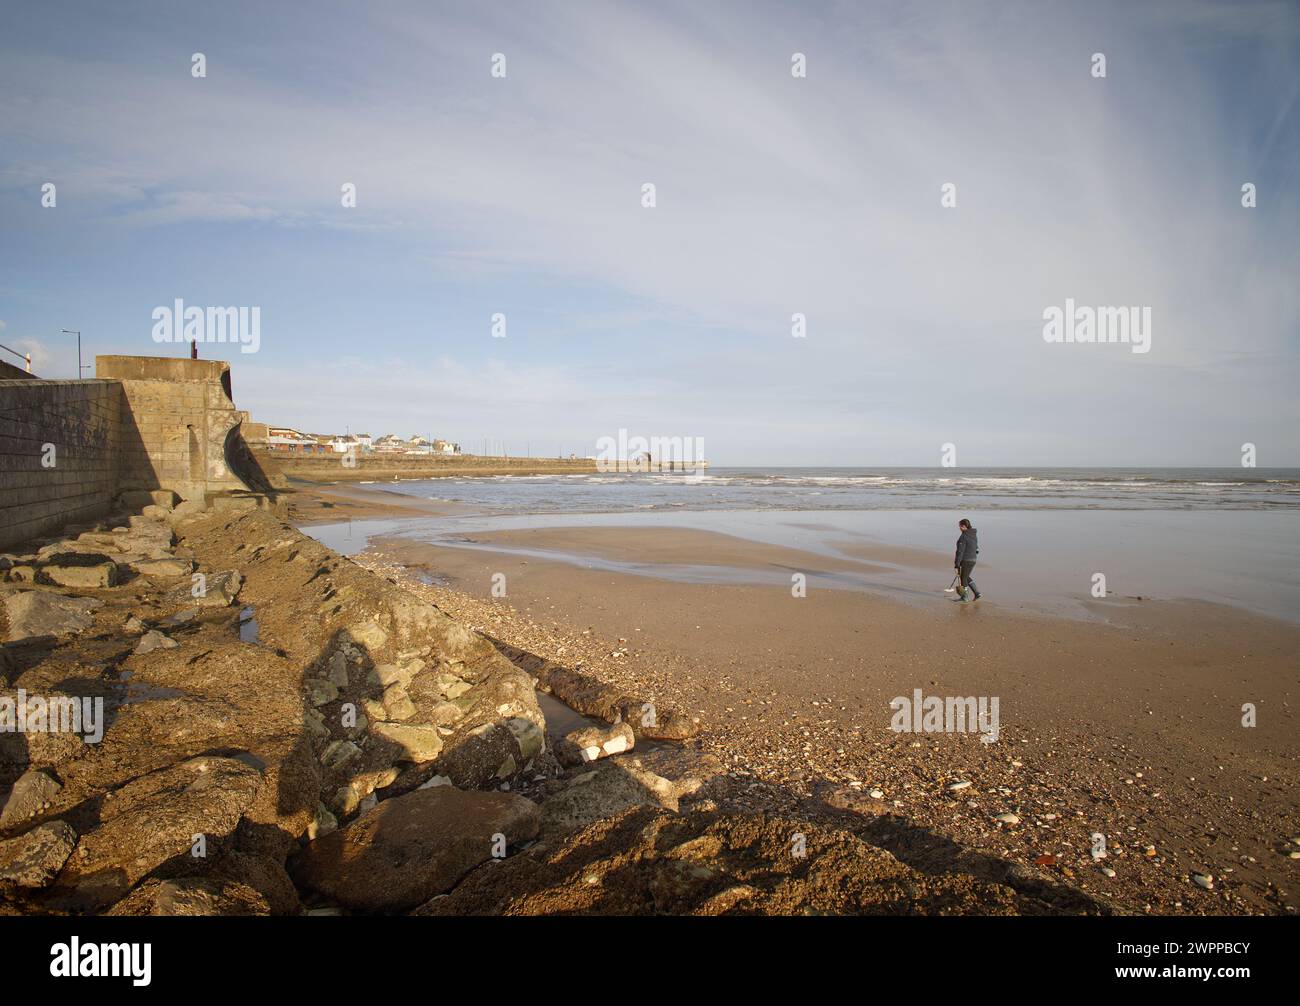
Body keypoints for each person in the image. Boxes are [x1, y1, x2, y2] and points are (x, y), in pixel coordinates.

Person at [953, 518, 981, 602]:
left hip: (966, 560)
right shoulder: (973, 535)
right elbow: (977, 549)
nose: (959, 528)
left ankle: (964, 597)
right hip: (973, 559)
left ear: (964, 526)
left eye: (960, 526)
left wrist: (957, 564)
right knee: (966, 576)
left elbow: (960, 552)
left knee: (963, 578)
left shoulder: (963, 537)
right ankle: (977, 593)